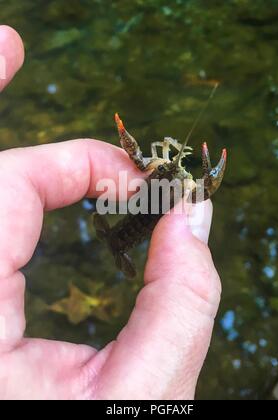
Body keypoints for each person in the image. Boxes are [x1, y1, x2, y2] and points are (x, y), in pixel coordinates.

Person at [0, 25, 221, 400]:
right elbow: (178, 178)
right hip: (129, 229)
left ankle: (115, 240)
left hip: (131, 226)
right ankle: (116, 242)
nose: (172, 166)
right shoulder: (175, 181)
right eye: (170, 166)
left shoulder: (167, 179)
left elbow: (148, 163)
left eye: (172, 166)